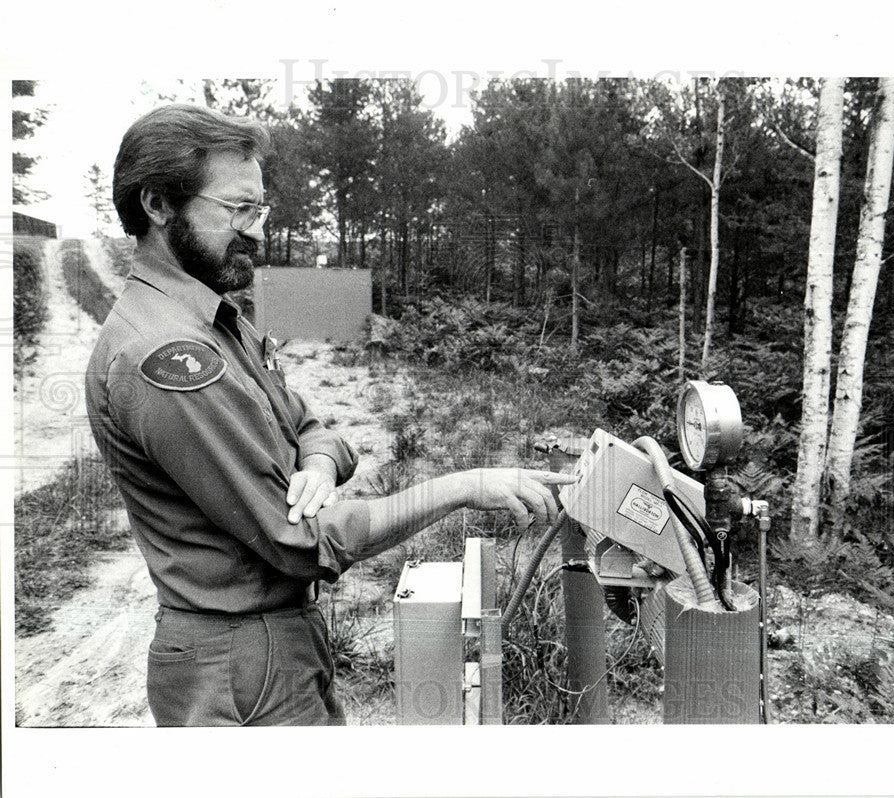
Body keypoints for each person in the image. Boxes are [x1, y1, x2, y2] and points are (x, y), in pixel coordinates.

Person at [85, 104, 575, 726]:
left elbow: (314, 427)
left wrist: (317, 461)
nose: (257, 233)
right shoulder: (168, 355)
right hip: (239, 661)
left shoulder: (212, 322)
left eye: (258, 211)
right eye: (238, 210)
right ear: (158, 204)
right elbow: (302, 544)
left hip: (270, 645)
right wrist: (461, 487)